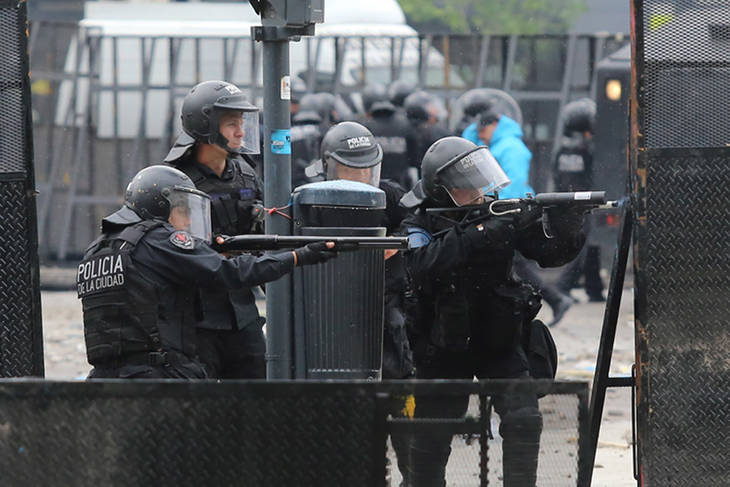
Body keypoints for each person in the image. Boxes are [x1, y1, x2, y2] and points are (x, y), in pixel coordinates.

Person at [399, 136, 585, 486]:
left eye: (479, 185)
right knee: (432, 433)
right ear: (442, 191)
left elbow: (549, 255)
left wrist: (567, 224)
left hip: (497, 337)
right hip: (443, 343)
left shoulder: (497, 213)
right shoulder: (419, 222)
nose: (479, 194)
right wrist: (482, 231)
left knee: (524, 417)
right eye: (467, 189)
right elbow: (422, 263)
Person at [78, 165, 337, 380]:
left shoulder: (99, 248)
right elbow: (230, 273)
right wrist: (297, 256)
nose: (188, 221)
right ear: (159, 206)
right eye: (182, 210)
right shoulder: (158, 239)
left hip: (105, 379)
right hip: (160, 378)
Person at [312, 121, 415, 481]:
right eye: (349, 169)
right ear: (328, 166)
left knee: (402, 405)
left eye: (365, 168)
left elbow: (418, 225)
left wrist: (396, 242)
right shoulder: (312, 197)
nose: (359, 177)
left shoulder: (390, 194)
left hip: (387, 312)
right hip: (332, 314)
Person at [162, 80, 270, 379]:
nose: (241, 132)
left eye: (242, 122)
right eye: (231, 124)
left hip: (241, 309)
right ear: (206, 125)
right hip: (194, 316)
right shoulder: (173, 180)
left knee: (259, 391)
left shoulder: (246, 173)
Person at [465, 111, 574, 326]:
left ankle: (554, 299)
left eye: (483, 130)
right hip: (500, 211)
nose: (481, 135)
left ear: (495, 125)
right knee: (514, 262)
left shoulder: (511, 148)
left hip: (506, 213)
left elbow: (511, 185)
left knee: (514, 262)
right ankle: (554, 299)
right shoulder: (499, 145)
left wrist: (498, 212)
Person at [553, 98, 605, 302]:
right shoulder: (587, 149)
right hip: (585, 201)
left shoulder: (563, 149)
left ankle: (594, 288)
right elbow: (595, 174)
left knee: (590, 244)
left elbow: (557, 176)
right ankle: (562, 286)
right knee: (583, 244)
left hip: (567, 201)